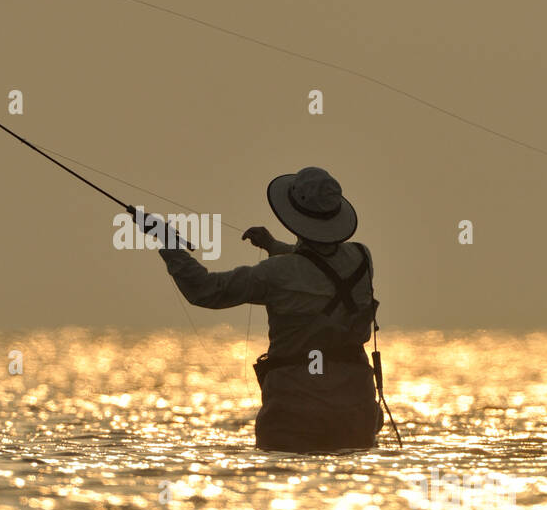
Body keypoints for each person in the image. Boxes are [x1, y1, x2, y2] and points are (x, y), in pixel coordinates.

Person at [156, 166, 385, 453]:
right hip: (357, 409)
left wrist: (169, 244)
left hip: (294, 410)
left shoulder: (275, 274)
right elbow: (321, 268)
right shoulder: (363, 258)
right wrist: (272, 245)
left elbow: (205, 290)